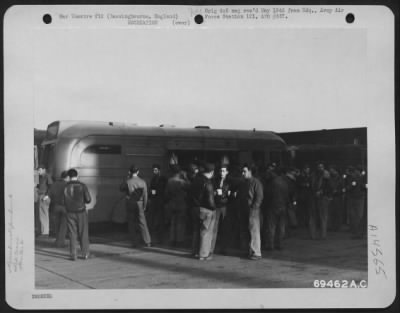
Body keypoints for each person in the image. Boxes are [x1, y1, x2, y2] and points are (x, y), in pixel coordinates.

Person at [63, 168, 91, 260]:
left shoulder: (65, 186)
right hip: (81, 212)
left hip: (69, 212)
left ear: (68, 177)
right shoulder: (82, 185)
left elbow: (61, 200)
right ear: (77, 175)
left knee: (72, 233)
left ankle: (73, 254)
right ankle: (85, 253)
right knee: (83, 232)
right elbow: (88, 199)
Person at [120, 165, 151, 248]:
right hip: (140, 203)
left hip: (130, 203)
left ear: (130, 172)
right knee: (143, 222)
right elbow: (145, 195)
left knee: (131, 223)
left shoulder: (128, 181)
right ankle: (147, 241)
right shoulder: (142, 182)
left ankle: (135, 242)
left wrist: (127, 177)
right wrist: (145, 205)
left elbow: (121, 188)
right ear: (138, 172)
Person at [191, 163, 216, 261]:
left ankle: (195, 252)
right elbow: (210, 200)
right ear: (212, 172)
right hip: (206, 209)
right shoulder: (208, 183)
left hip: (195, 208)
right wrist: (214, 208)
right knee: (206, 232)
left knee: (196, 231)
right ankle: (204, 254)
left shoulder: (196, 180)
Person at [238, 164, 264, 260]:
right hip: (245, 209)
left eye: (244, 171)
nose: (242, 173)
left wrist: (254, 208)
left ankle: (256, 252)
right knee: (246, 231)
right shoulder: (244, 182)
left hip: (252, 210)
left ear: (250, 171)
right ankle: (249, 251)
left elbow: (259, 197)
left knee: (254, 231)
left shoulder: (256, 182)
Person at [164, 165, 189, 247]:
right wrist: (185, 177)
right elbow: (190, 187)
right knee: (180, 223)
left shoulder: (169, 181)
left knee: (173, 222)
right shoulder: (182, 182)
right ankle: (179, 240)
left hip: (172, 203)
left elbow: (167, 193)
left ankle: (172, 240)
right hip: (181, 204)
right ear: (179, 172)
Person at [265, 167, 290, 250]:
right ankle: (280, 244)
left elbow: (268, 195)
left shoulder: (272, 183)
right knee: (281, 227)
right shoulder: (284, 182)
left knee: (271, 226)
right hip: (283, 206)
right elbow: (287, 195)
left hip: (273, 206)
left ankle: (270, 245)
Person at [210, 164, 232, 255]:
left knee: (224, 229)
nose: (222, 173)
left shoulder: (229, 182)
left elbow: (232, 194)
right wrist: (215, 192)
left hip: (225, 206)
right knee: (214, 228)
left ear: (227, 172)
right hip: (217, 206)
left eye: (223, 171)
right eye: (221, 171)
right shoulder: (215, 181)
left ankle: (224, 248)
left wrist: (226, 193)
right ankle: (211, 248)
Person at [310, 162, 332, 240]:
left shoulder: (326, 175)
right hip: (314, 197)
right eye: (319, 167)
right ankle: (313, 235)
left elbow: (329, 187)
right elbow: (311, 186)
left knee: (323, 216)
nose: (320, 168)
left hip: (323, 198)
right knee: (314, 217)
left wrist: (322, 192)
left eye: (321, 167)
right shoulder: (313, 175)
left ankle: (323, 235)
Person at [48, 171, 69, 247]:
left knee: (57, 225)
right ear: (67, 177)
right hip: (65, 207)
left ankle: (57, 240)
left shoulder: (54, 184)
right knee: (63, 226)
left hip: (55, 206)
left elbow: (49, 194)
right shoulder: (67, 185)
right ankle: (60, 243)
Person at [147, 164, 167, 243]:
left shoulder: (163, 178)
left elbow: (162, 189)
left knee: (160, 218)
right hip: (155, 200)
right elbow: (152, 189)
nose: (154, 171)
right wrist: (152, 193)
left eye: (155, 170)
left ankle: (160, 236)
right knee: (154, 218)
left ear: (159, 170)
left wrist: (154, 193)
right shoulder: (153, 178)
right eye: (153, 170)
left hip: (160, 200)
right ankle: (157, 235)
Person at [346, 166, 367, 238]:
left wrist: (363, 185)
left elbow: (366, 186)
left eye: (357, 171)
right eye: (355, 171)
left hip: (360, 198)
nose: (356, 172)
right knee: (354, 216)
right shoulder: (352, 178)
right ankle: (356, 232)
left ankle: (359, 233)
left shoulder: (363, 178)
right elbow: (348, 187)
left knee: (359, 216)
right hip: (353, 198)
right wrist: (351, 185)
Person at [36, 164, 53, 237]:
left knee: (44, 214)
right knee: (41, 214)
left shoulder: (47, 176)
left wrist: (47, 196)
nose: (38, 172)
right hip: (41, 196)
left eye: (39, 170)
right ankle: (42, 231)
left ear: (44, 169)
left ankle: (45, 232)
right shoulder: (41, 177)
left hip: (44, 196)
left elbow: (51, 186)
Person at [328, 165, 344, 232]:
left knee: (337, 212)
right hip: (331, 196)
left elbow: (343, 188)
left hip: (337, 197)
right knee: (332, 212)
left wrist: (338, 191)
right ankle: (333, 226)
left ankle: (337, 227)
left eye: (332, 170)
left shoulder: (340, 178)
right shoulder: (330, 178)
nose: (331, 171)